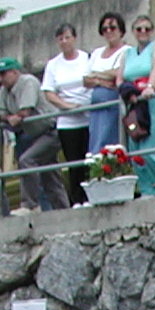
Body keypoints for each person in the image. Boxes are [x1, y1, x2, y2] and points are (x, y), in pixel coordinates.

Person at [0, 57, 64, 214]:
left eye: (3, 74)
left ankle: (30, 205)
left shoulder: (28, 81)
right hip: (36, 135)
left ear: (15, 72)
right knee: (51, 178)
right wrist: (9, 117)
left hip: (51, 131)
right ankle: (63, 210)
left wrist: (15, 117)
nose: (0, 79)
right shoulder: (4, 89)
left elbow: (25, 111)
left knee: (27, 160)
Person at [121, 14, 155, 197]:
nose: (143, 32)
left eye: (147, 28)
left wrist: (150, 87)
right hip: (135, 102)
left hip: (154, 98)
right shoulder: (127, 53)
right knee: (135, 150)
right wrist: (129, 94)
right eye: (139, 29)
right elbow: (120, 78)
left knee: (151, 149)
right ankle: (147, 189)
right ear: (133, 32)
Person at [41, 24, 95, 205]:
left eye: (67, 37)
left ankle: (91, 196)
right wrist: (67, 106)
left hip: (88, 117)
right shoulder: (53, 65)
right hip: (67, 120)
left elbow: (95, 80)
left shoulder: (87, 58)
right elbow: (49, 93)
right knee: (73, 161)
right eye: (60, 39)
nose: (64, 42)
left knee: (90, 159)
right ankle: (77, 200)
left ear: (75, 38)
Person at [82, 13, 130, 155]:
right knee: (95, 142)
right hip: (96, 108)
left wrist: (96, 75)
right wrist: (101, 80)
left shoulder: (126, 51)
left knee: (109, 143)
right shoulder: (97, 53)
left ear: (121, 30)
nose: (108, 31)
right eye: (105, 29)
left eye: (112, 27)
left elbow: (117, 74)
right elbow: (86, 79)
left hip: (113, 105)